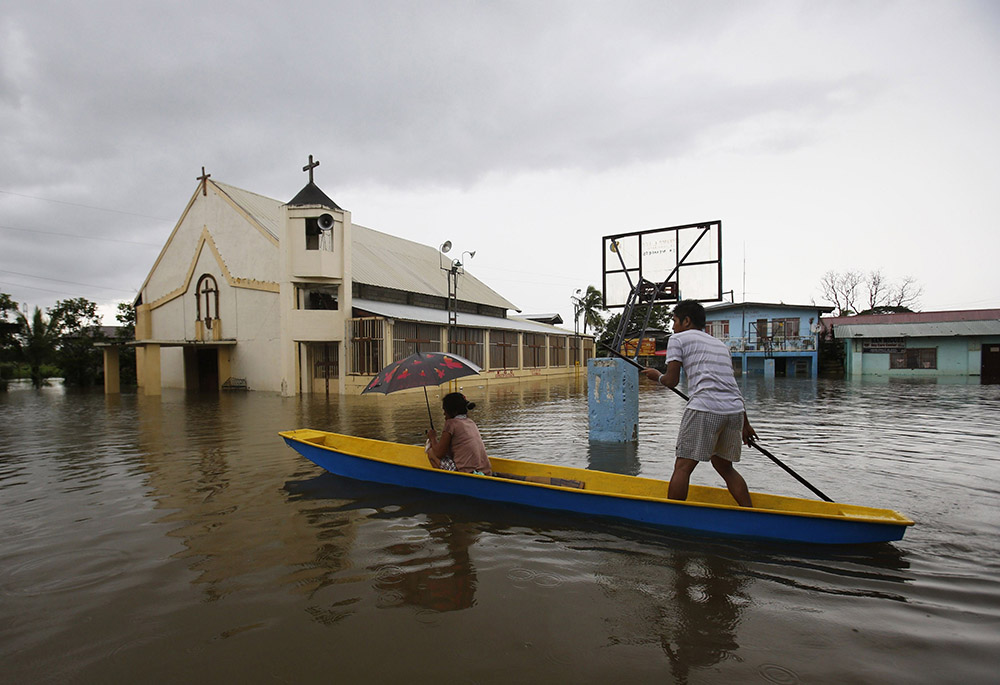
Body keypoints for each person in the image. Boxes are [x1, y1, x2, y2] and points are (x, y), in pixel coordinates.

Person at [642, 300, 757, 507]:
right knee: (724, 466)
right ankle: (750, 512)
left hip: (705, 409)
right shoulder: (720, 345)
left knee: (683, 466)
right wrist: (745, 424)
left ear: (686, 321)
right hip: (735, 412)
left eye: (675, 321)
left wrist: (656, 376)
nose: (673, 326)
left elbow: (671, 380)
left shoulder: (678, 339)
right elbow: (731, 386)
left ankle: (673, 517)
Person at [426, 392, 492, 476]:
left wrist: (433, 438)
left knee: (431, 452)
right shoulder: (470, 422)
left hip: (466, 472)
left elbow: (439, 453)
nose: (444, 414)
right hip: (485, 471)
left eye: (445, 411)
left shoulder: (451, 424)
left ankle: (446, 482)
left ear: (452, 411)